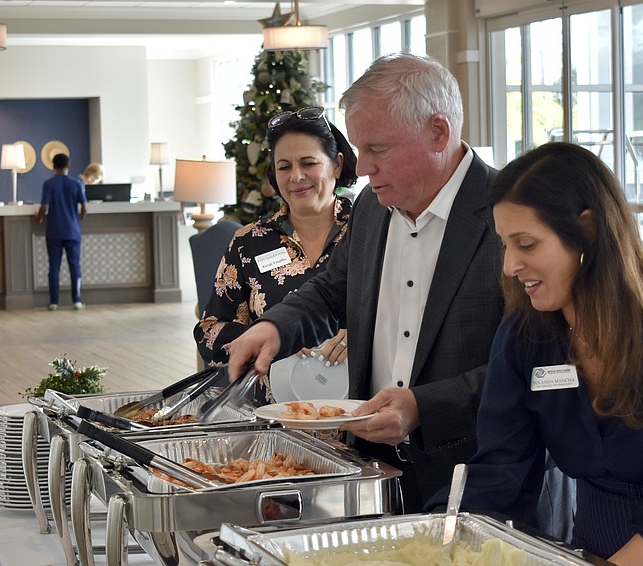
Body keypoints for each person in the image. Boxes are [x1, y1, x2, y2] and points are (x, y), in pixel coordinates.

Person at [427, 142, 643, 564]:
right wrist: (435, 538)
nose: (509, 265)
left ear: (588, 230)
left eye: (526, 244)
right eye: (505, 245)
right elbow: (500, 471)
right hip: (602, 519)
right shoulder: (525, 337)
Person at [226, 52, 504, 514]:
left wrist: (423, 407)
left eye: (379, 149)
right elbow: (334, 289)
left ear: (439, 132)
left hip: (476, 474)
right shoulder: (373, 207)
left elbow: (537, 362)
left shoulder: (507, 211)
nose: (362, 167)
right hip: (374, 470)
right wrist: (275, 327)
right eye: (358, 149)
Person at [194, 107, 357, 404]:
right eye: (284, 167)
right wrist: (273, 336)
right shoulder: (249, 242)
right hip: (273, 417)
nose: (296, 176)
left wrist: (358, 339)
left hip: (358, 415)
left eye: (309, 163)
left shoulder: (369, 232)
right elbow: (209, 332)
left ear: (337, 165)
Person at [36, 153, 88, 311]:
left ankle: (54, 302)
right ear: (68, 166)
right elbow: (85, 208)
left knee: (54, 266)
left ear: (53, 167)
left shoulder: (48, 184)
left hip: (54, 231)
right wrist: (78, 218)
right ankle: (77, 300)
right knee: (74, 266)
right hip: (73, 231)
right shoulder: (77, 184)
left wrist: (38, 218)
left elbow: (44, 207)